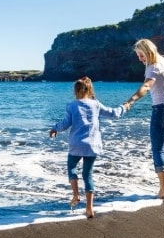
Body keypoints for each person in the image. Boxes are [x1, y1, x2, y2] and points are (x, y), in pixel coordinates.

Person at [49, 77, 128, 218]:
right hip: (92, 145)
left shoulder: (72, 105)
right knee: (88, 175)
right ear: (89, 90)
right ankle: (89, 208)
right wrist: (124, 107)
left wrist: (55, 128)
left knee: (72, 168)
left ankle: (76, 195)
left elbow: (65, 124)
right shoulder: (95, 104)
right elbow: (113, 113)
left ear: (75, 91)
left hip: (76, 145)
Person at [123, 39, 164, 199]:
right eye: (138, 56)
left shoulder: (153, 66)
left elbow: (146, 86)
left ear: (148, 52)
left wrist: (130, 101)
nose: (140, 59)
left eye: (141, 55)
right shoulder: (163, 62)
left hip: (161, 109)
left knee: (157, 150)